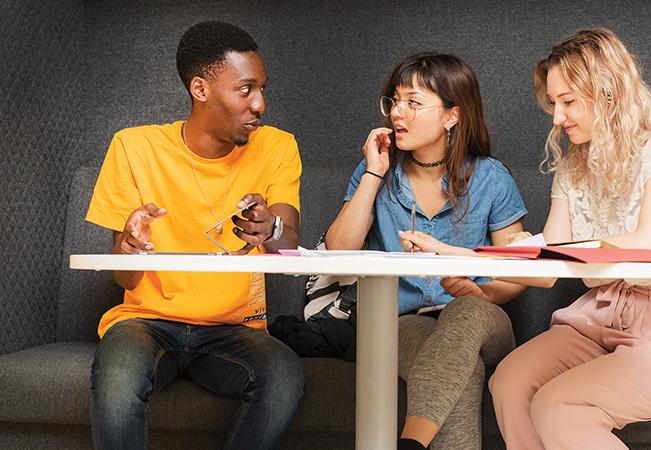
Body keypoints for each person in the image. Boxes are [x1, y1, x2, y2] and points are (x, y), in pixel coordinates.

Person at [488, 27, 651, 449]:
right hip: (595, 317)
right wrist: (465, 255)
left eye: (569, 101)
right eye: (554, 103)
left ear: (609, 93)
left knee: (558, 406)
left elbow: (649, 244)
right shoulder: (574, 165)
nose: (557, 117)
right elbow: (549, 269)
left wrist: (548, 250)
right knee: (509, 382)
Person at [86, 21, 304, 450]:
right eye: (245, 89)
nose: (259, 103)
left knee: (284, 375)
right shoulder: (134, 147)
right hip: (146, 323)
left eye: (263, 88)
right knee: (115, 380)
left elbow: (289, 241)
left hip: (235, 328)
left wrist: (271, 228)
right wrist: (129, 247)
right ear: (201, 89)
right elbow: (124, 278)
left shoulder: (278, 146)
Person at [325, 53, 528, 450]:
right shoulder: (377, 171)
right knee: (459, 370)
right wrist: (373, 174)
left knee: (465, 314)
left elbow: (520, 273)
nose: (398, 113)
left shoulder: (490, 177)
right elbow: (339, 248)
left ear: (453, 115)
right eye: (394, 101)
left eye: (413, 103)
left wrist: (483, 292)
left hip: (484, 318)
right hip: (400, 320)